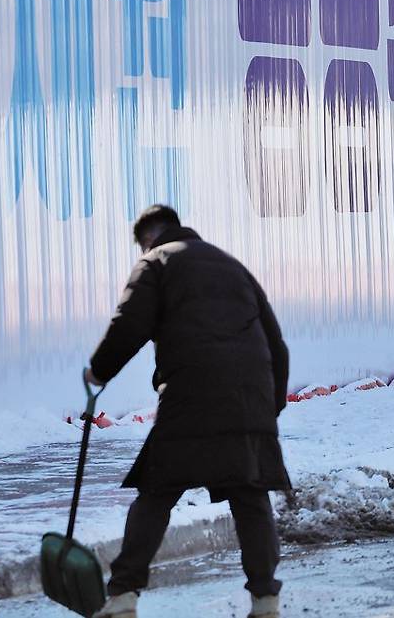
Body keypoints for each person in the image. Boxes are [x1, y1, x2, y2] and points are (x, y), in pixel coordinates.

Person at [87, 205, 290, 618]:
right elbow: (277, 345)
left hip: (191, 392)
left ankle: (123, 597)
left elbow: (130, 323)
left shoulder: (155, 261)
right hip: (249, 395)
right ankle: (266, 601)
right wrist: (271, 406)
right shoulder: (232, 266)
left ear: (146, 238)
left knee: (157, 492)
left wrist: (99, 370)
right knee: (249, 495)